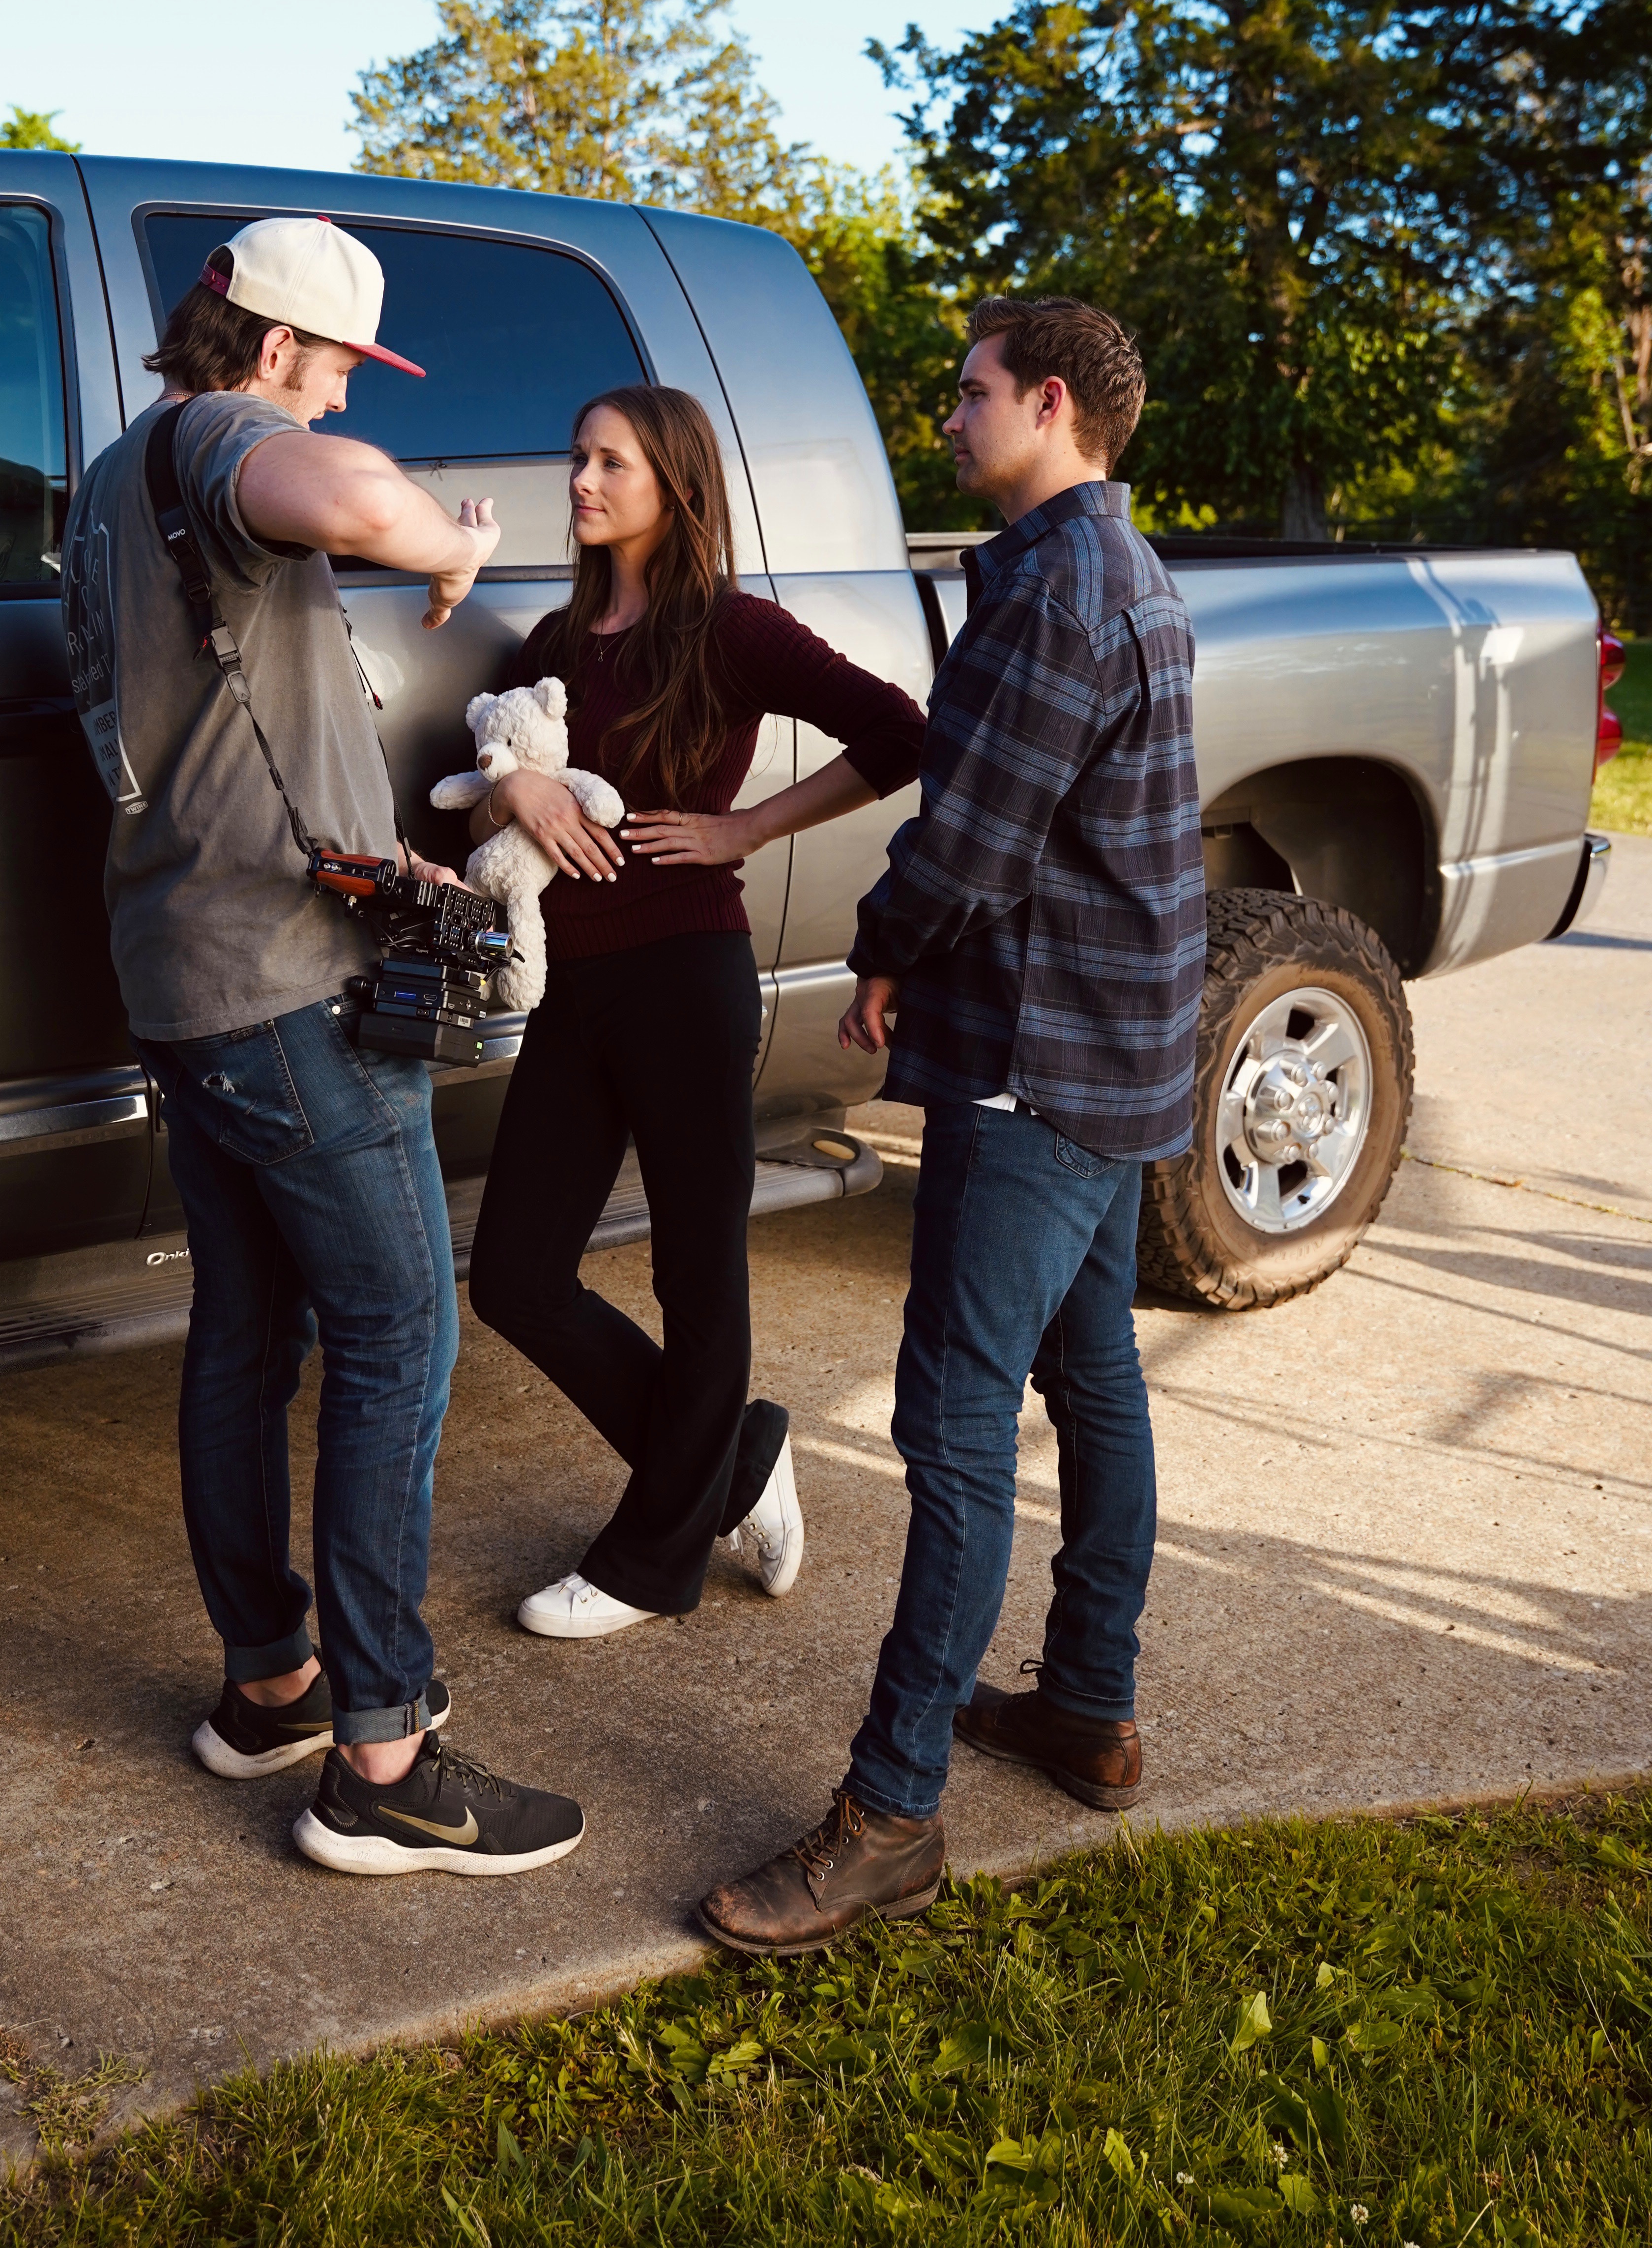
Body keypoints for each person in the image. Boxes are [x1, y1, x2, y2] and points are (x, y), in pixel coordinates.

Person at [61, 216, 584, 1879]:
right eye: (345, 364)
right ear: (278, 351)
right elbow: (344, 494)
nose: (349, 389)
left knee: (246, 1338)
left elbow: (236, 740)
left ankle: (269, 1679)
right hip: (285, 998)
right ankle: (384, 1755)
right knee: (396, 1341)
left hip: (185, 973)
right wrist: (440, 546)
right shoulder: (230, 440)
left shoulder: (107, 479)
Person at [698, 297, 1205, 1954]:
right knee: (1094, 1373)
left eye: (974, 391)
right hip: (1116, 1046)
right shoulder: (1116, 570)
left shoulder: (1060, 591)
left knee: (957, 1421)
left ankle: (893, 1809)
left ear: (1052, 402)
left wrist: (885, 955)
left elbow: (974, 840)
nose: (953, 415)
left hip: (1039, 1058)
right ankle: (1087, 1706)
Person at [464, 383, 927, 1640]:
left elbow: (897, 732)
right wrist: (510, 799)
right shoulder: (552, 649)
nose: (580, 479)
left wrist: (742, 828)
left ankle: (646, 1561)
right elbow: (484, 781)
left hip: (685, 971)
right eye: (576, 457)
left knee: (694, 1269)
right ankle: (733, 1461)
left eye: (608, 461)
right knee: (511, 1275)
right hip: (577, 981)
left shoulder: (730, 629)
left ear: (673, 483)